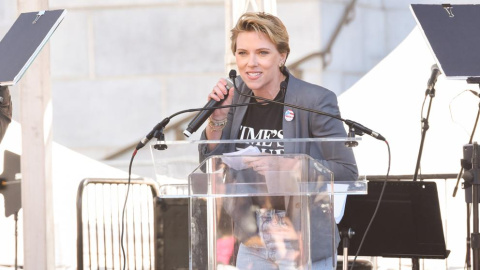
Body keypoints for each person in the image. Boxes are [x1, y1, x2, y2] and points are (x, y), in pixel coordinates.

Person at [199, 12, 358, 270]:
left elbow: (347, 171)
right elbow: (211, 164)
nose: (251, 63)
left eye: (262, 53)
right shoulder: (235, 97)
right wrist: (216, 119)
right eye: (242, 53)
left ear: (282, 56)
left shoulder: (314, 101)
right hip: (252, 241)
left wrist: (291, 166)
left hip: (300, 241)